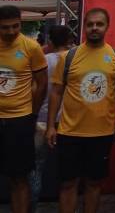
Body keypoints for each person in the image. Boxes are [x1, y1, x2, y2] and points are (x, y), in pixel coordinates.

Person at [46, 8, 115, 213]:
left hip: (102, 133)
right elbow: (56, 92)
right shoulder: (69, 56)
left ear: (107, 27)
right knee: (68, 183)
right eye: (90, 24)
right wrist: (50, 126)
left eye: (99, 24)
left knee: (94, 183)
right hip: (69, 132)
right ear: (84, 27)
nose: (94, 28)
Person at [0, 5, 48, 213]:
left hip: (19, 120)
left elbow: (42, 84)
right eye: (5, 27)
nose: (11, 31)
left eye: (15, 26)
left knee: (19, 178)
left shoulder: (31, 47)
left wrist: (32, 115)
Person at [31, 24, 72, 209]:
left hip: (41, 119)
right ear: (69, 40)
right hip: (68, 121)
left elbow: (34, 89)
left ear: (50, 41)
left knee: (36, 167)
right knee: (69, 170)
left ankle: (31, 206)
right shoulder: (74, 60)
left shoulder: (43, 61)